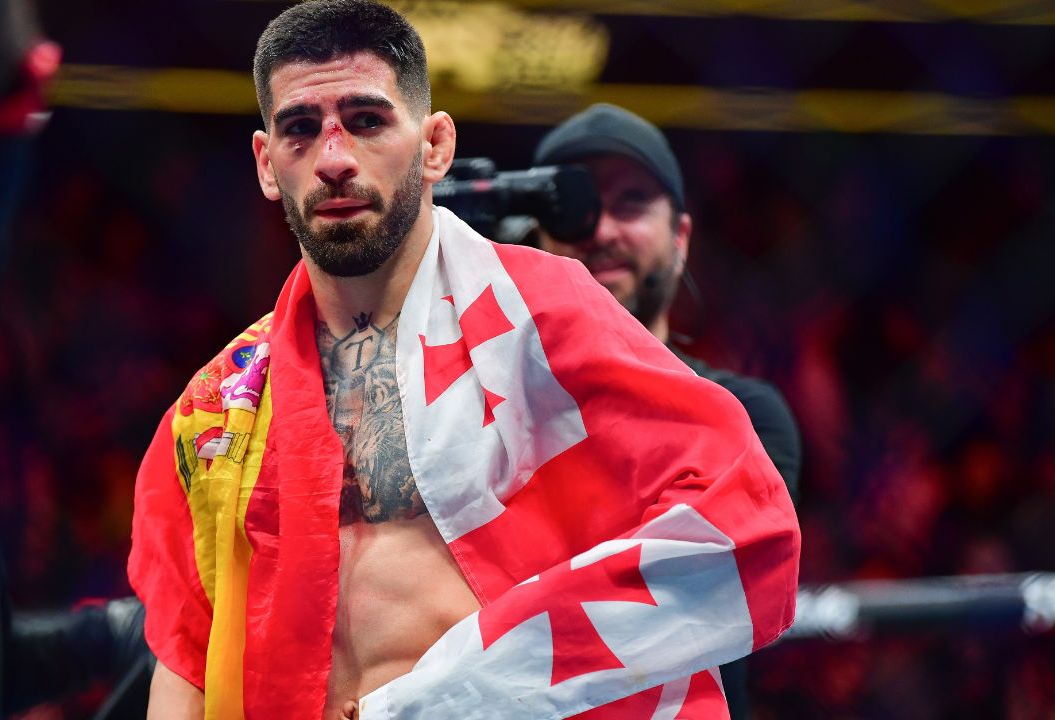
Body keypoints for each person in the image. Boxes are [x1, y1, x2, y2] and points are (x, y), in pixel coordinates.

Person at [128, 2, 800, 719]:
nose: (334, 159)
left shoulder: (543, 313)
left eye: (367, 119)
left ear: (434, 145)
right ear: (267, 163)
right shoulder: (220, 405)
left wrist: (450, 698)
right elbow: (187, 658)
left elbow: (740, 519)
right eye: (301, 128)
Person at [533, 103, 804, 719]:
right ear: (538, 240)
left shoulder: (746, 414)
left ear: (680, 239)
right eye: (574, 207)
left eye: (630, 204)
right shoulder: (494, 412)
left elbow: (675, 600)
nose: (600, 230)